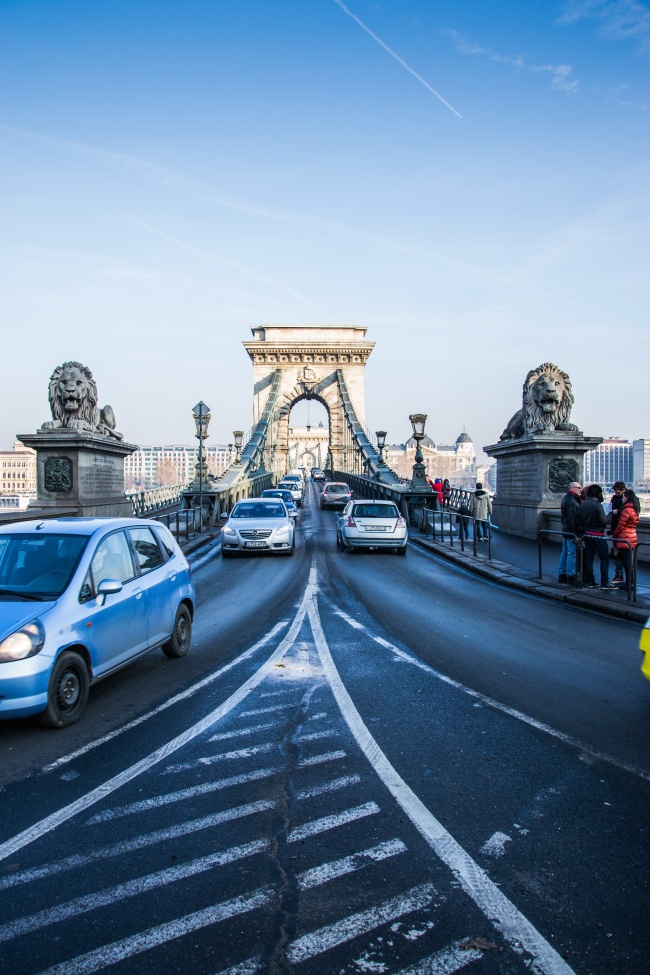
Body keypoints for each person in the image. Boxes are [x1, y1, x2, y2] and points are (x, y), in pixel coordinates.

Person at [577, 484, 614, 589]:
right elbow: (603, 521)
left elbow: (579, 519)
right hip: (598, 534)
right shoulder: (597, 505)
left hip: (587, 534)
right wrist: (611, 514)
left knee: (589, 558)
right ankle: (604, 582)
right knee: (604, 558)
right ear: (598, 494)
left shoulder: (583, 504)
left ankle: (590, 581)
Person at [612, 488, 640, 589]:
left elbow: (620, 525)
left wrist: (615, 534)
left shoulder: (627, 510)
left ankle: (628, 584)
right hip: (632, 536)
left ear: (627, 498)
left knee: (626, 562)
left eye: (624, 497)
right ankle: (630, 582)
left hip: (624, 537)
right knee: (629, 562)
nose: (622, 499)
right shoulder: (635, 509)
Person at [558, 480, 581, 584]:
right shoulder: (571, 500)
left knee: (565, 553)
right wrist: (575, 534)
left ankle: (562, 574)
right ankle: (570, 575)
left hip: (566, 529)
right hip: (571, 531)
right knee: (571, 553)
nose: (580, 490)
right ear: (572, 489)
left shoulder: (566, 498)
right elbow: (572, 518)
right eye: (578, 488)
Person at [609, 481, 626, 584]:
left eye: (618, 492)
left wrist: (618, 511)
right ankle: (619, 575)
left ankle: (627, 578)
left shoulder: (629, 498)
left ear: (624, 490)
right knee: (617, 554)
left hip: (622, 531)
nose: (616, 494)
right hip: (616, 529)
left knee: (626, 556)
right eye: (615, 492)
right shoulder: (614, 498)